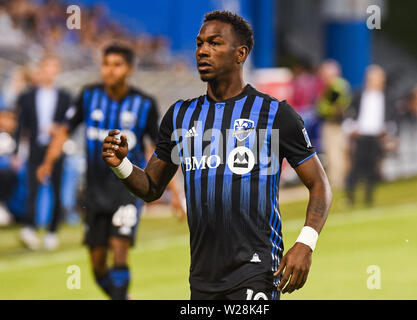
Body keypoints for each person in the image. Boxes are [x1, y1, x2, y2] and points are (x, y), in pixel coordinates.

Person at [102, 11, 332, 300]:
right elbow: (151, 187)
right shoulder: (180, 116)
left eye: (214, 43)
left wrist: (305, 243)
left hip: (257, 271)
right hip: (202, 278)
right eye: (199, 44)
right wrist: (121, 165)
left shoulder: (275, 115)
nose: (202, 51)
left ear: (240, 53)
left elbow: (320, 185)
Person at [36, 43, 186, 300]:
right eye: (106, 64)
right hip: (94, 192)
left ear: (129, 69)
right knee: (96, 264)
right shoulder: (87, 96)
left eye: (117, 65)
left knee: (119, 249)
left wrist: (173, 192)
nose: (110, 70)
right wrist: (48, 162)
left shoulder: (144, 103)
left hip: (127, 190)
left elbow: (160, 151)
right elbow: (64, 131)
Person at [15, 54, 72, 250]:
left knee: (57, 190)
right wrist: (16, 152)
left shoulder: (65, 97)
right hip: (35, 148)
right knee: (33, 189)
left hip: (56, 149)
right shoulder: (27, 96)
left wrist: (58, 130)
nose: (49, 71)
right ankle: (29, 228)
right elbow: (19, 126)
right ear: (41, 69)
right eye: (46, 67)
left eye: (53, 67)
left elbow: (70, 125)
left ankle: (52, 231)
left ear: (57, 71)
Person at [345, 65, 396, 206]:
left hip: (376, 136)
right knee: (356, 167)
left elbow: (391, 117)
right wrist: (352, 129)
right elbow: (349, 114)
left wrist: (387, 131)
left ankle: (369, 198)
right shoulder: (359, 94)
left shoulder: (386, 97)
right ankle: (350, 197)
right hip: (361, 135)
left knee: (372, 168)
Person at [316, 60, 351, 188]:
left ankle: (336, 182)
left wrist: (323, 108)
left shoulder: (335, 87)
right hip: (337, 123)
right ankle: (339, 180)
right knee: (339, 153)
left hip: (334, 124)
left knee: (334, 153)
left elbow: (334, 107)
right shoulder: (341, 85)